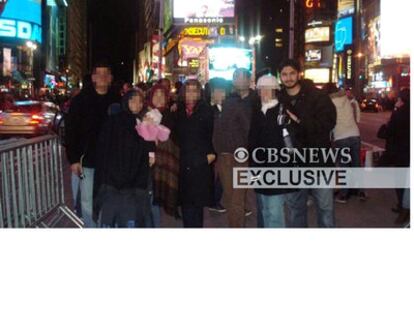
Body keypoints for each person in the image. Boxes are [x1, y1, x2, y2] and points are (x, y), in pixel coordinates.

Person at [278, 59, 337, 228]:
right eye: (284, 74)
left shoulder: (317, 96)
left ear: (299, 74)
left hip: (319, 161)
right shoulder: (279, 99)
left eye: (291, 73)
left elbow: (327, 124)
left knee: (325, 209)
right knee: (295, 210)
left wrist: (299, 120)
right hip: (293, 165)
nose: (288, 78)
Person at [65, 60, 120, 228]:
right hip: (87, 160)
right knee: (87, 199)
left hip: (111, 162)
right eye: (99, 73)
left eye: (106, 74)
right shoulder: (81, 100)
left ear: (110, 78)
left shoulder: (117, 100)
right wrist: (73, 159)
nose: (103, 77)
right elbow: (71, 131)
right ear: (94, 77)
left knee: (108, 197)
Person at [95, 89, 151, 228]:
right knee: (110, 220)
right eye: (133, 100)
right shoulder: (114, 121)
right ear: (126, 101)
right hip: (112, 184)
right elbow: (104, 149)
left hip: (130, 186)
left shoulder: (140, 123)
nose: (137, 104)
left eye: (140, 101)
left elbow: (144, 151)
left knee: (128, 221)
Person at [212, 68, 260, 227]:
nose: (237, 80)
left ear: (248, 79)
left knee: (238, 199)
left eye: (240, 77)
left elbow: (250, 129)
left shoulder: (256, 100)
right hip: (225, 155)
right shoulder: (228, 100)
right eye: (235, 77)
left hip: (243, 156)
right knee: (232, 197)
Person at [249, 74, 296, 227]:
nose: (264, 93)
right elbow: (252, 141)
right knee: (265, 210)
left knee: (275, 211)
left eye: (268, 89)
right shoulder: (257, 111)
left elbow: (291, 141)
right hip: (260, 168)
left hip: (277, 168)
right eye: (261, 90)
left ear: (275, 90)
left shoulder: (283, 111)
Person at [174, 79, 215, 227]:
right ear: (184, 92)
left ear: (199, 93)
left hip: (200, 162)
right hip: (183, 162)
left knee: (197, 204)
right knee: (186, 204)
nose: (191, 93)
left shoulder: (206, 110)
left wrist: (210, 155)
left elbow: (213, 134)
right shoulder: (178, 110)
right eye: (188, 90)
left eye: (194, 90)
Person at [326, 83, 366, 203]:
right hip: (355, 134)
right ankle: (361, 192)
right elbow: (357, 116)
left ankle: (344, 194)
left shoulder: (328, 103)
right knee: (357, 165)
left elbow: (329, 122)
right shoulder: (348, 99)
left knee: (343, 166)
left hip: (341, 136)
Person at [378, 88, 410, 220]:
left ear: (401, 100)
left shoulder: (400, 112)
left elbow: (391, 130)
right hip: (406, 150)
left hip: (401, 150)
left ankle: (404, 208)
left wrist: (395, 111)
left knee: (401, 182)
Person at [207, 77, 228, 213]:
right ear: (212, 93)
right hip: (213, 149)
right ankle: (213, 201)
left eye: (223, 91)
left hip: (226, 148)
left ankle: (216, 200)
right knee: (218, 177)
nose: (221, 94)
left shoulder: (229, 108)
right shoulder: (208, 110)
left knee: (223, 176)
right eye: (217, 91)